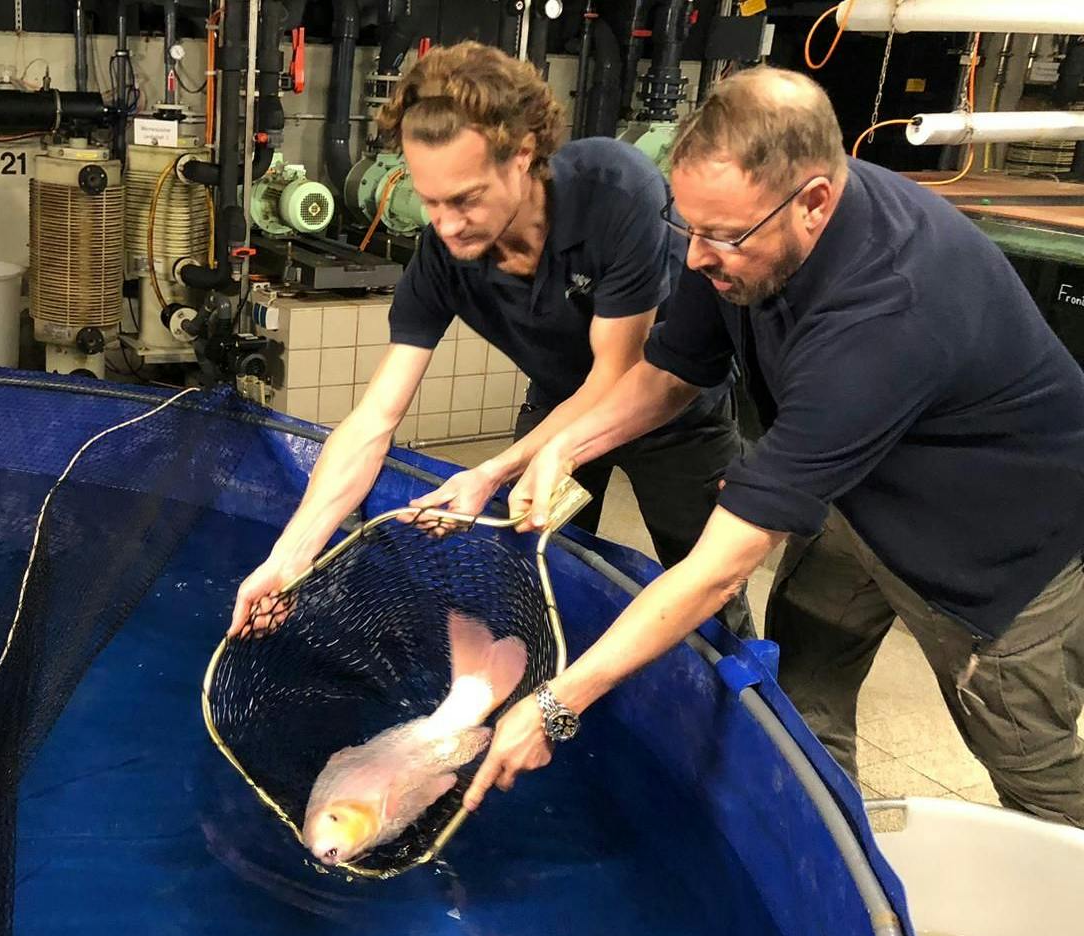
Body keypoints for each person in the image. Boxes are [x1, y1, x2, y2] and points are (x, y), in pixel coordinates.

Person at [464, 66, 1084, 828]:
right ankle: (833, 855)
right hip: (864, 496)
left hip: (996, 549)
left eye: (721, 237)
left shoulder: (889, 311)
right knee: (807, 693)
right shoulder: (736, 239)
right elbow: (671, 372)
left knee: (1029, 761)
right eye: (688, 227)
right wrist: (561, 448)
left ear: (816, 201)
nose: (695, 258)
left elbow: (718, 569)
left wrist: (556, 706)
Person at [229, 41, 751, 639]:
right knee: (526, 573)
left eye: (466, 198)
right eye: (429, 202)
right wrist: (289, 557)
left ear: (522, 155)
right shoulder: (442, 256)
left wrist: (492, 471)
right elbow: (375, 417)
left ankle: (747, 702)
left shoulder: (616, 191)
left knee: (708, 584)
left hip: (670, 409)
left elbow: (617, 378)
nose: (447, 225)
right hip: (560, 398)